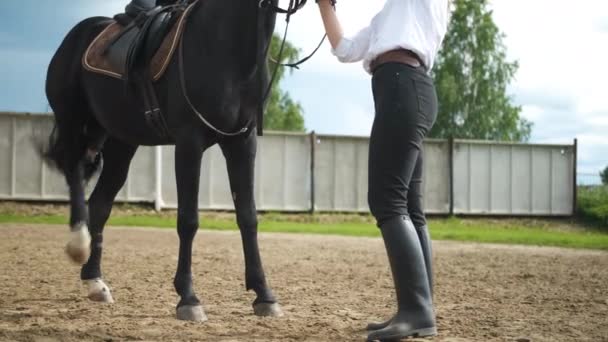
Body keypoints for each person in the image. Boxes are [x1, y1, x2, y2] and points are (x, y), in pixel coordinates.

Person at [316, 0, 450, 340]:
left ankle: (417, 311)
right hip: (401, 89)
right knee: (410, 208)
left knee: (386, 201)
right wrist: (324, 5)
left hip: (403, 87)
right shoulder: (388, 18)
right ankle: (421, 307)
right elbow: (344, 49)